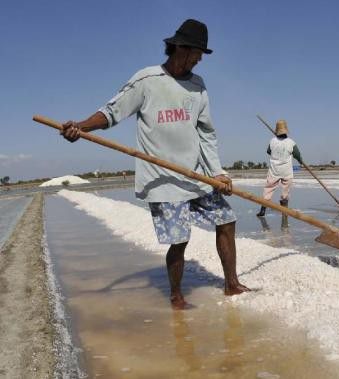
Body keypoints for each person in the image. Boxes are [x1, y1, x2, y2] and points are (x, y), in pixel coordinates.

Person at [60, 19, 249, 309]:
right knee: (180, 240)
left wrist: (219, 172)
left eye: (200, 56)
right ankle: (176, 295)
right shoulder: (146, 80)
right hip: (163, 179)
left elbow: (206, 133)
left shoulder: (198, 85)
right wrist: (82, 128)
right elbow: (112, 112)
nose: (198, 60)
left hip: (197, 176)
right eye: (196, 54)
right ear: (179, 48)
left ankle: (231, 284)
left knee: (227, 221)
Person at [255, 120, 303, 217]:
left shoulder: (272, 141)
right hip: (286, 171)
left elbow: (268, 151)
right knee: (286, 190)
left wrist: (276, 152)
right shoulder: (291, 142)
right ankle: (284, 211)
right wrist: (301, 161)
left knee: (268, 189)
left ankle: (262, 211)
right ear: (286, 131)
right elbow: (297, 155)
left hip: (274, 170)